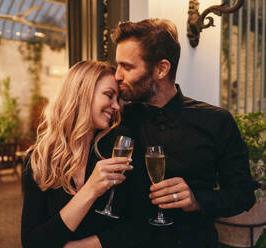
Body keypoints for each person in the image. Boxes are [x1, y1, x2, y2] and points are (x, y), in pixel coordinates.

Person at [111, 18, 257, 248]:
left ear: (161, 69)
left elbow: (244, 194)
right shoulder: (118, 118)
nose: (117, 75)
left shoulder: (217, 121)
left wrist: (196, 199)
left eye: (127, 66)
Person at [21, 60, 152, 248]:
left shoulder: (118, 150)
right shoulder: (39, 159)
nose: (116, 106)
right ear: (82, 93)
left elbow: (139, 226)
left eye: (118, 99)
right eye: (109, 95)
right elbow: (32, 243)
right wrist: (91, 189)